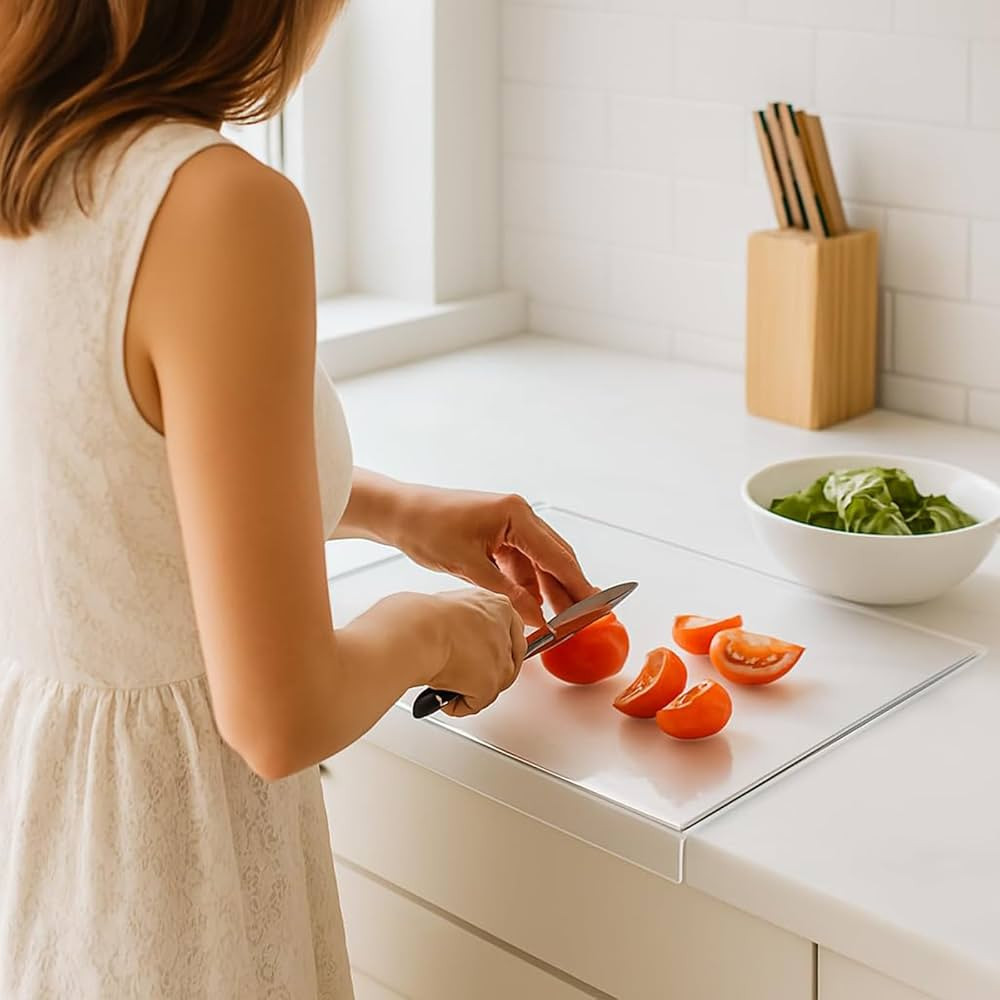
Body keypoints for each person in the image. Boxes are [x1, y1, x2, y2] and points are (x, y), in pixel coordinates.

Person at [0, 2, 596, 997]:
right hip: (178, 867)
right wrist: (429, 630)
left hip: (50, 818)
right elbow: (278, 716)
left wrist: (396, 510)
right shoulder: (216, 204)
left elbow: (112, 482)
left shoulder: (36, 159)